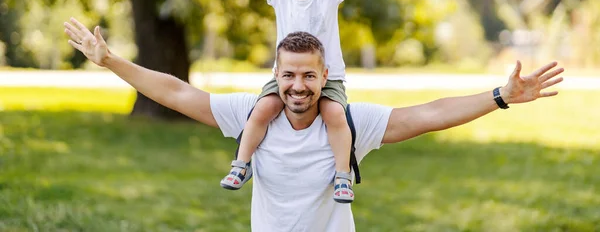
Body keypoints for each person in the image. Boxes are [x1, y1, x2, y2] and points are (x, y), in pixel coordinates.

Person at [64, 20, 564, 232]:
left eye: (308, 75)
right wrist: (111, 61)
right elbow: (175, 92)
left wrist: (500, 96)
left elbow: (425, 116)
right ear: (275, 76)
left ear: (326, 76)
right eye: (288, 75)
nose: (298, 86)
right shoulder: (250, 114)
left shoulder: (347, 120)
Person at [220, 0, 363, 203]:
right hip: (285, 76)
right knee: (262, 110)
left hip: (328, 76)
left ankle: (342, 176)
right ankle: (241, 164)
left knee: (336, 115)